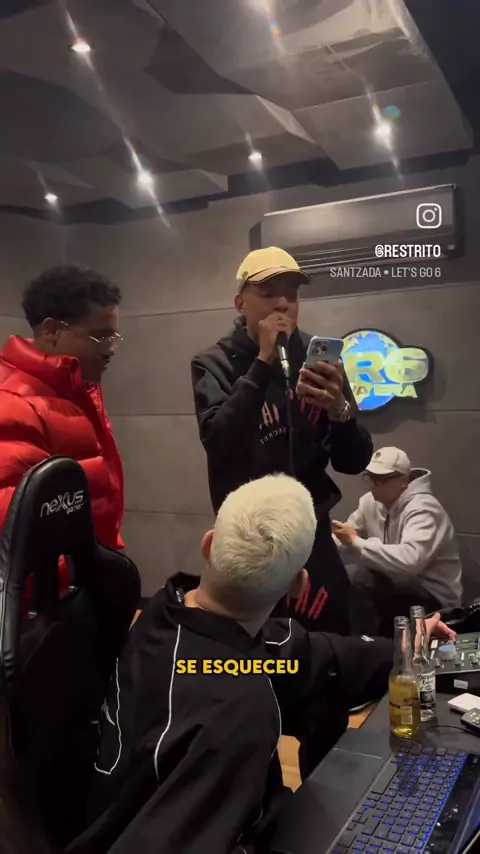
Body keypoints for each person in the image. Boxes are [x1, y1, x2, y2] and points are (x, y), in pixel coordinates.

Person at [68, 474, 454, 854]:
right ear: (299, 586)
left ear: (208, 545)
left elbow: (312, 655)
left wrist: (408, 643)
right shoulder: (241, 713)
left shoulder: (168, 608)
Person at [191, 246, 373, 634]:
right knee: (254, 644)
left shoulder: (317, 359)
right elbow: (218, 440)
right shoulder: (214, 362)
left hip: (311, 530)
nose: (283, 303)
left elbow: (354, 461)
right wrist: (262, 363)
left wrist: (338, 409)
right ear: (241, 304)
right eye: (269, 292)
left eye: (292, 293)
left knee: (330, 637)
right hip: (248, 536)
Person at [0, 264, 124, 597]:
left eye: (113, 336)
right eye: (100, 336)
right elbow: (16, 537)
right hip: (50, 606)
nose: (110, 348)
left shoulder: (77, 389)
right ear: (52, 330)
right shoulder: (12, 402)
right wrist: (76, 596)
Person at [333, 447, 463, 636]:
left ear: (403, 481)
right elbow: (345, 533)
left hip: (434, 599)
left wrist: (355, 541)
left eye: (381, 480)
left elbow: (410, 561)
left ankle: (366, 646)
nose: (373, 485)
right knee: (339, 576)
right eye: (370, 478)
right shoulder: (370, 502)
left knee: (359, 577)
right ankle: (358, 642)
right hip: (397, 587)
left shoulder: (424, 509)